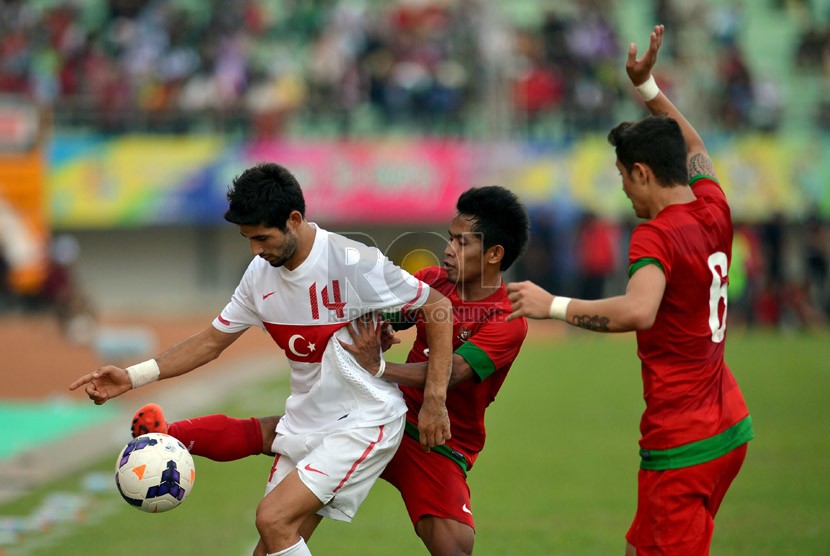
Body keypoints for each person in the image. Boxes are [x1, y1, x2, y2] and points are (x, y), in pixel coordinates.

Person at [69, 162, 454, 556]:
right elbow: (210, 342)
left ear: (294, 219)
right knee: (271, 547)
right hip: (307, 423)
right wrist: (132, 377)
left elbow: (438, 307)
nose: (255, 250)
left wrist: (435, 400)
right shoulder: (259, 275)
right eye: (246, 238)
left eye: (262, 238)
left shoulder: (353, 262)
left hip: (363, 421)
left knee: (272, 518)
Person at [130, 185, 531, 555]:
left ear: (494, 254)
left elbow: (453, 373)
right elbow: (380, 313)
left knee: (454, 547)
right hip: (380, 410)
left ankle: (168, 434)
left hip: (438, 436)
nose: (447, 250)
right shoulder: (432, 281)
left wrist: (378, 368)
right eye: (449, 237)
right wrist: (382, 328)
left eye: (462, 243)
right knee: (278, 503)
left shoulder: (507, 318)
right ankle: (168, 434)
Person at [506, 25, 754, 556]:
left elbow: (639, 311)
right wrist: (648, 88)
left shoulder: (656, 234)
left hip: (683, 438)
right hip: (728, 425)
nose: (622, 188)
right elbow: (695, 143)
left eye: (622, 175)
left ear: (641, 172)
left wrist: (552, 305)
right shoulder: (714, 207)